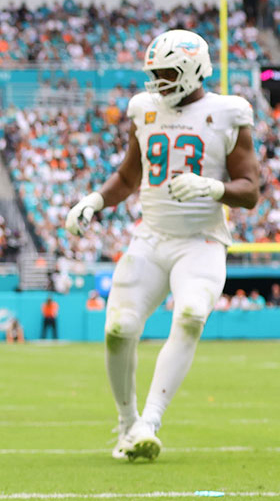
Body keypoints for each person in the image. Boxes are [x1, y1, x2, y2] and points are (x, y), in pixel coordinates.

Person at [65, 29, 260, 462]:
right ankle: (126, 422)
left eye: (167, 74)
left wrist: (212, 187)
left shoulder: (228, 112)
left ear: (192, 70)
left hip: (201, 241)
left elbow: (251, 191)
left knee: (190, 314)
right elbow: (129, 175)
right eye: (154, 74)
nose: (158, 83)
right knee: (118, 330)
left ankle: (149, 422)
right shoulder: (145, 108)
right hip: (151, 237)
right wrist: (95, 200)